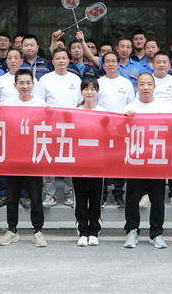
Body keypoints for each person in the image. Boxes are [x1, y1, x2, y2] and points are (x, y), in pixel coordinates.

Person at [123, 73, 172, 249]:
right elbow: (121, 132)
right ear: (137, 87)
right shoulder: (130, 108)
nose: (146, 87)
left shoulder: (164, 107)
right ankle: (132, 230)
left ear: (155, 87)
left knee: (157, 197)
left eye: (149, 84)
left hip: (157, 158)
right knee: (133, 196)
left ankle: (156, 233)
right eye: (142, 84)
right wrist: (126, 118)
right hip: (135, 159)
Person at [0, 69, 48, 248]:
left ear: (33, 84)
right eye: (21, 83)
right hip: (13, 156)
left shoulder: (40, 104)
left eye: (28, 83)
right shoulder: (8, 103)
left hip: (34, 156)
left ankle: (37, 231)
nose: (25, 86)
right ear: (15, 85)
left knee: (35, 196)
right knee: (12, 196)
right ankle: (12, 230)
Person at [33, 48, 82, 208]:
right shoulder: (45, 79)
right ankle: (50, 195)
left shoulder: (75, 79)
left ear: (69, 60)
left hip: (71, 127)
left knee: (69, 161)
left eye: (64, 58)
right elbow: (39, 103)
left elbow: (79, 104)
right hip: (50, 127)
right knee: (49, 161)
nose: (61, 61)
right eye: (58, 58)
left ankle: (70, 195)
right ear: (52, 61)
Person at [0, 49, 33, 208]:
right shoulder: (1, 80)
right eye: (10, 58)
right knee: (5, 163)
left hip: (27, 130)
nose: (13, 60)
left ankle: (24, 195)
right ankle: (4, 194)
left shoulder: (30, 79)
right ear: (6, 61)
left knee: (25, 164)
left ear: (21, 60)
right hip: (8, 130)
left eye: (16, 57)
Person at [95, 51, 135, 208]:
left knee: (120, 162)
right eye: (107, 61)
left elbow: (131, 105)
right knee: (103, 163)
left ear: (118, 64)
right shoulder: (98, 83)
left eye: (113, 61)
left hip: (121, 129)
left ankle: (119, 195)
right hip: (102, 129)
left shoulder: (126, 83)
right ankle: (102, 195)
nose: (111, 64)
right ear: (103, 65)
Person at [150, 50, 172, 209]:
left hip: (171, 127)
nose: (161, 65)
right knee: (151, 160)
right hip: (150, 127)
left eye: (164, 62)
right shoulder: (147, 80)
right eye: (158, 62)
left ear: (169, 64)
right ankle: (147, 193)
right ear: (152, 64)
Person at [73, 78, 107, 246]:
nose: (89, 92)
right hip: (78, 162)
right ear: (81, 92)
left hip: (97, 163)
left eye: (93, 89)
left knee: (95, 197)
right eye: (86, 89)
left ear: (97, 92)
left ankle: (94, 231)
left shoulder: (104, 113)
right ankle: (82, 231)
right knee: (80, 197)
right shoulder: (75, 113)